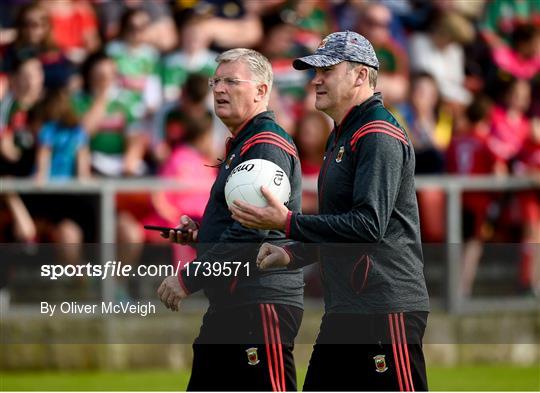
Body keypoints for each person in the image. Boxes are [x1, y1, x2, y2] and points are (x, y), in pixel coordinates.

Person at [230, 31, 430, 391]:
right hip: (348, 309)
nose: (316, 79)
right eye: (314, 71)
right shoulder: (342, 134)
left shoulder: (377, 132)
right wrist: (292, 255)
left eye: (327, 70)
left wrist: (288, 223)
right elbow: (340, 229)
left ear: (360, 75)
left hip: (385, 308)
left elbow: (368, 225)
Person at [156, 48, 304, 391]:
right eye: (216, 81)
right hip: (235, 303)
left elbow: (252, 232)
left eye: (231, 81)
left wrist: (190, 277)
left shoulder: (265, 145)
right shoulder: (245, 142)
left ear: (261, 91)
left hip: (258, 301)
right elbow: (244, 223)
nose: (219, 89)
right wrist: (202, 235)